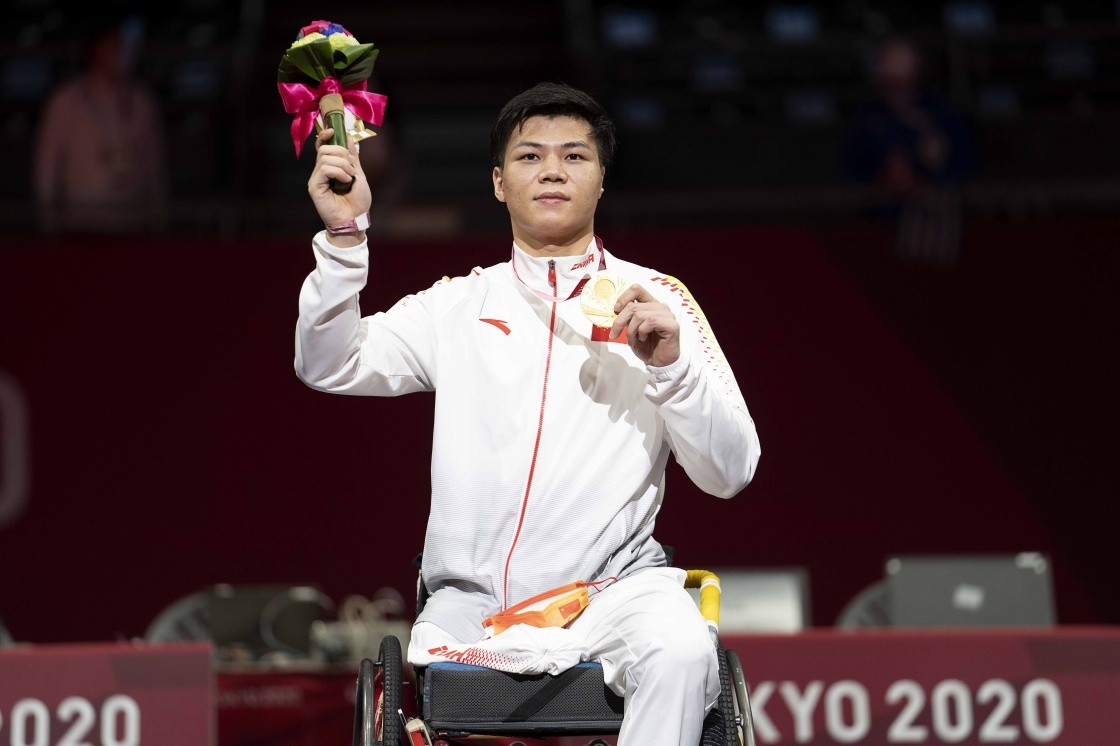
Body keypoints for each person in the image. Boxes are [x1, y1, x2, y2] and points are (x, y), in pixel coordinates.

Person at [294, 82, 760, 744]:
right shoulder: (457, 305)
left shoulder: (660, 302)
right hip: (477, 605)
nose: (552, 171)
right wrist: (344, 236)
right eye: (530, 156)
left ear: (602, 180)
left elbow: (731, 472)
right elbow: (327, 363)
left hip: (616, 590)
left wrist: (671, 367)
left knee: (682, 650)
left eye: (575, 156)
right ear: (498, 182)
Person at [842, 37, 975, 264]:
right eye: (893, 79)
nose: (900, 87)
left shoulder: (943, 114)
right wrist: (885, 175)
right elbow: (851, 170)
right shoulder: (867, 118)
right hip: (879, 226)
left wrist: (931, 172)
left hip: (938, 225)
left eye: (905, 78)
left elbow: (966, 164)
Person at [34, 15, 168, 235]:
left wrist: (159, 215)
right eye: (112, 46)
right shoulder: (66, 101)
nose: (119, 54)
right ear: (95, 50)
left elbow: (154, 162)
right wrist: (48, 220)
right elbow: (47, 163)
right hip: (81, 216)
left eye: (122, 47)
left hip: (132, 215)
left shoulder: (141, 101)